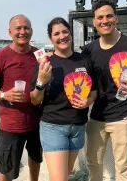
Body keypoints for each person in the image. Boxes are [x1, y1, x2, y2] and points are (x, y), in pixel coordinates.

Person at [82, 0, 127, 181]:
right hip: (96, 116)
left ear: (116, 18)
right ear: (94, 21)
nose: (104, 21)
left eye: (109, 16)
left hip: (124, 117)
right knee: (93, 163)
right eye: (100, 17)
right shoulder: (88, 51)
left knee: (123, 167)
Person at [30, 17, 97, 181]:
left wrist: (88, 102)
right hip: (53, 126)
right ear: (51, 38)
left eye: (65, 31)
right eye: (56, 34)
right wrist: (40, 82)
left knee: (64, 176)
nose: (62, 36)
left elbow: (94, 90)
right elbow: (34, 99)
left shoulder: (84, 60)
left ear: (71, 34)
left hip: (77, 127)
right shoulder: (46, 64)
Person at [0, 15, 42, 181]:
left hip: (37, 121)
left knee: (36, 158)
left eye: (26, 28)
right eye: (18, 28)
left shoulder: (39, 55)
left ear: (31, 31)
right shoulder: (0, 57)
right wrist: (4, 94)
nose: (23, 32)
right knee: (7, 169)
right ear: (10, 32)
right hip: (12, 125)